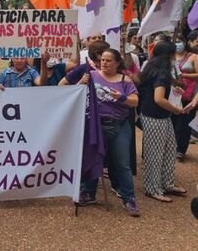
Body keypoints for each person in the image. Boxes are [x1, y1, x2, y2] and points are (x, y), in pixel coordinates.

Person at [77, 48, 141, 217]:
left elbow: (135, 101)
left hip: (119, 126)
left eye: (108, 60)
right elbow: (75, 92)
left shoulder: (125, 80)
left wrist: (122, 98)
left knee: (122, 163)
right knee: (94, 157)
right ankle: (88, 192)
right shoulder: (92, 75)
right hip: (96, 126)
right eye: (102, 60)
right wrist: (81, 83)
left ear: (117, 63)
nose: (104, 63)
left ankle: (129, 198)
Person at [138, 41, 189, 202]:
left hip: (158, 115)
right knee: (155, 153)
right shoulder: (161, 73)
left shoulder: (154, 68)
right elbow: (159, 99)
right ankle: (152, 188)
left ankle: (166, 183)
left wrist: (174, 87)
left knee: (169, 149)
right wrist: (176, 110)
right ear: (171, 55)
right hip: (155, 116)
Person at [173, 34, 198, 161]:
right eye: (175, 41)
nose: (177, 44)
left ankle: (181, 150)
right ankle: (172, 147)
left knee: (184, 123)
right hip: (173, 94)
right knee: (173, 122)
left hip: (189, 95)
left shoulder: (193, 57)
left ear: (185, 42)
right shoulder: (171, 56)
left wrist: (183, 75)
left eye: (180, 41)